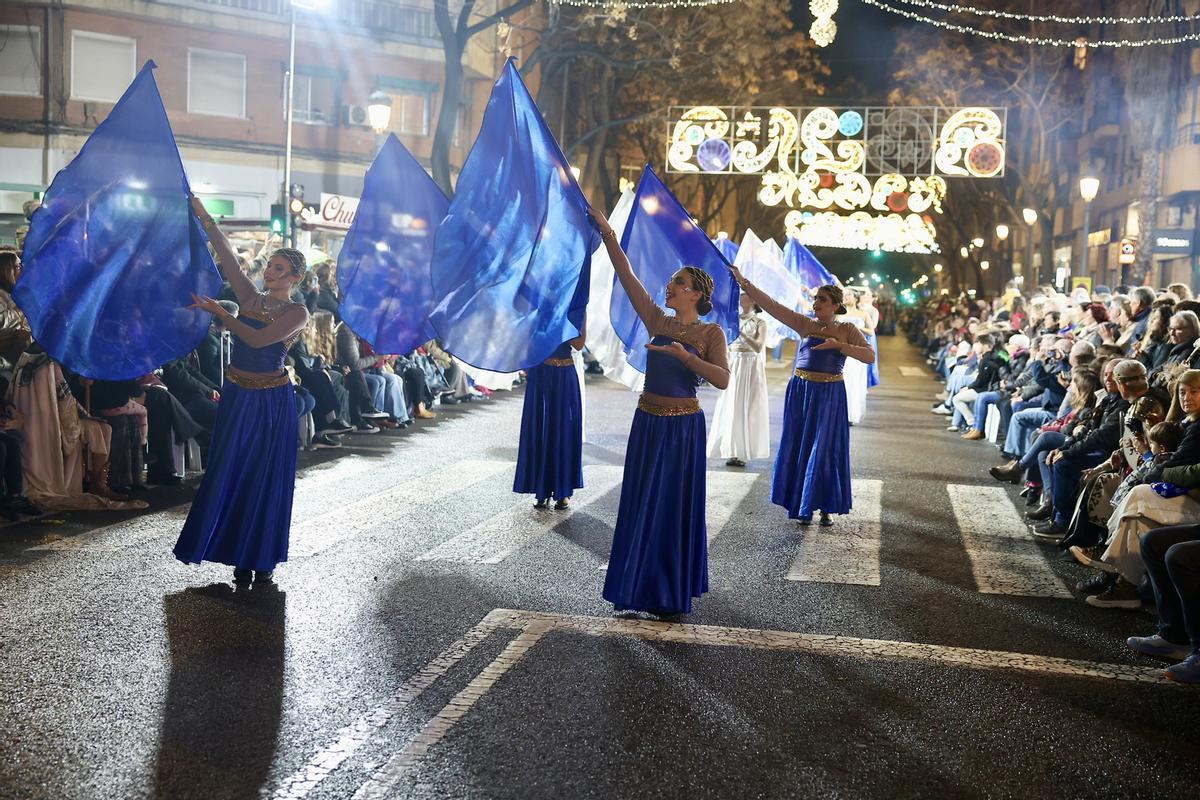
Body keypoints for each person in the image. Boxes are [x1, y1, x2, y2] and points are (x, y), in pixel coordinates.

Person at [589, 206, 730, 616]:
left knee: (670, 505)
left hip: (682, 428)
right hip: (648, 422)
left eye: (678, 283)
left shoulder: (710, 333)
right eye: (670, 282)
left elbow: (721, 379)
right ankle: (634, 586)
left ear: (696, 294)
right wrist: (609, 235)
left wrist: (684, 357)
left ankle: (668, 592)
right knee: (640, 502)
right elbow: (627, 277)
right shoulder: (657, 320)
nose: (670, 287)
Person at [174, 196, 310, 585]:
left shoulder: (295, 313)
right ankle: (230, 550)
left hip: (269, 401)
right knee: (228, 469)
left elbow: (258, 340)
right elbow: (227, 256)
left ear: (294, 278)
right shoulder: (251, 298)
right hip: (237, 394)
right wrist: (203, 215)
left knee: (261, 475)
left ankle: (258, 556)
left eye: (280, 269)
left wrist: (222, 313)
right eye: (270, 266)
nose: (270, 272)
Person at [729, 269, 875, 526]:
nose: (816, 303)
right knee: (799, 445)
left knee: (824, 448)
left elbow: (869, 355)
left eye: (822, 300)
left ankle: (824, 506)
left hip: (829, 395)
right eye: (816, 298)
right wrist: (744, 281)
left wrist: (839, 346)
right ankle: (800, 502)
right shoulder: (805, 324)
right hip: (801, 391)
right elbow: (772, 306)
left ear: (836, 306)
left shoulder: (848, 329)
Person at [514, 325, 585, 510]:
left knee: (564, 430)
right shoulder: (537, 299)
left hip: (564, 372)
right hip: (541, 371)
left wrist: (564, 321)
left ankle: (563, 490)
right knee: (540, 428)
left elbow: (579, 343)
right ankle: (541, 489)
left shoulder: (575, 304)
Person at [708, 292, 769, 468]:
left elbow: (758, 346)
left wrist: (740, 332)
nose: (741, 297)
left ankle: (742, 451)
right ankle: (731, 450)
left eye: (745, 295)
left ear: (754, 300)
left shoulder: (760, 322)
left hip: (750, 366)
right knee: (732, 406)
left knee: (747, 406)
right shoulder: (732, 319)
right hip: (734, 363)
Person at [839, 289, 871, 426]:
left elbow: (871, 331)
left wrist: (859, 328)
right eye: (844, 295)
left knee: (853, 382)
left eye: (849, 295)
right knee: (841, 381)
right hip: (841, 350)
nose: (846, 297)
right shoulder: (838, 313)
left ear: (856, 299)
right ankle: (838, 413)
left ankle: (851, 413)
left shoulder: (863, 314)